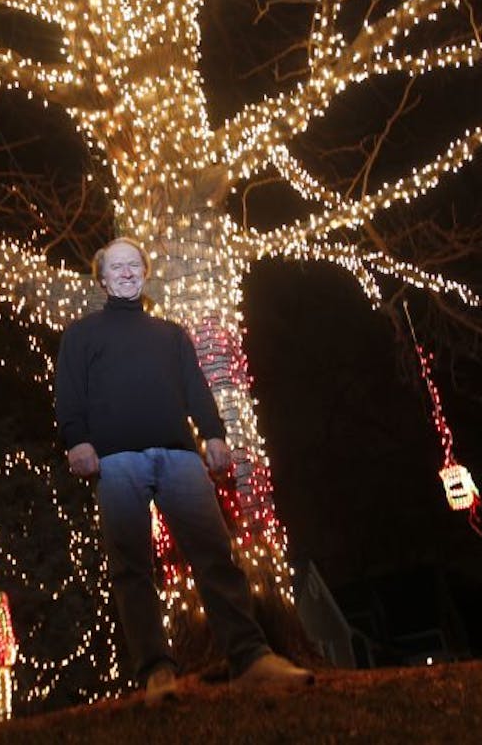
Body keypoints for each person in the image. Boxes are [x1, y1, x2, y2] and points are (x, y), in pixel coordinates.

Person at [54, 236, 313, 703]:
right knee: (132, 566)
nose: (127, 272)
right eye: (117, 266)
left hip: (179, 457)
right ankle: (157, 672)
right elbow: (68, 394)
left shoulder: (171, 334)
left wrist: (214, 434)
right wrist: (77, 440)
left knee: (215, 554)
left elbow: (196, 387)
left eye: (134, 264)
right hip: (116, 462)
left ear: (145, 272)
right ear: (103, 277)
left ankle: (251, 657)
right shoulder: (82, 334)